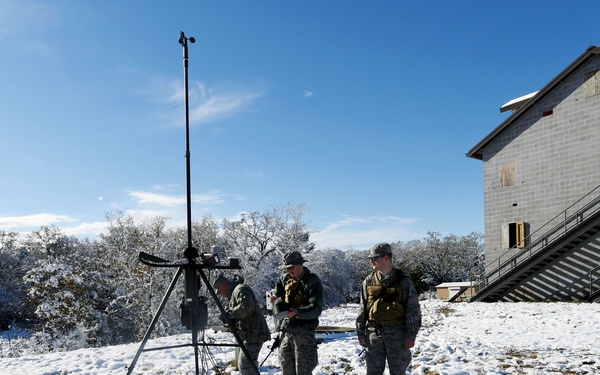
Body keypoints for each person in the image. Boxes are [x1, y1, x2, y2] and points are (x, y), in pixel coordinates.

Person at [356, 243, 422, 375]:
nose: (371, 261)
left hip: (397, 334)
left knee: (397, 371)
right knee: (373, 372)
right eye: (371, 258)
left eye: (375, 258)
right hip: (374, 334)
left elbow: (413, 309)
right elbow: (363, 307)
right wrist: (360, 331)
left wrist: (411, 335)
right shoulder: (369, 281)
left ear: (386, 258)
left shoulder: (403, 281)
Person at [271, 251, 323, 375]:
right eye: (287, 268)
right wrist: (275, 301)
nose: (289, 271)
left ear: (301, 264)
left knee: (303, 371)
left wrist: (297, 312)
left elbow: (316, 309)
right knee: (286, 370)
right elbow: (278, 298)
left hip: (303, 333)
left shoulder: (312, 281)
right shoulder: (284, 279)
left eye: (291, 267)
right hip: (286, 332)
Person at [214, 274, 271, 375]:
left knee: (246, 366)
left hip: (254, 333)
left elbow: (247, 308)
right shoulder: (235, 292)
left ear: (223, 286)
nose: (221, 294)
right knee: (245, 365)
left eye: (220, 291)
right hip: (250, 334)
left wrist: (230, 314)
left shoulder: (240, 289)